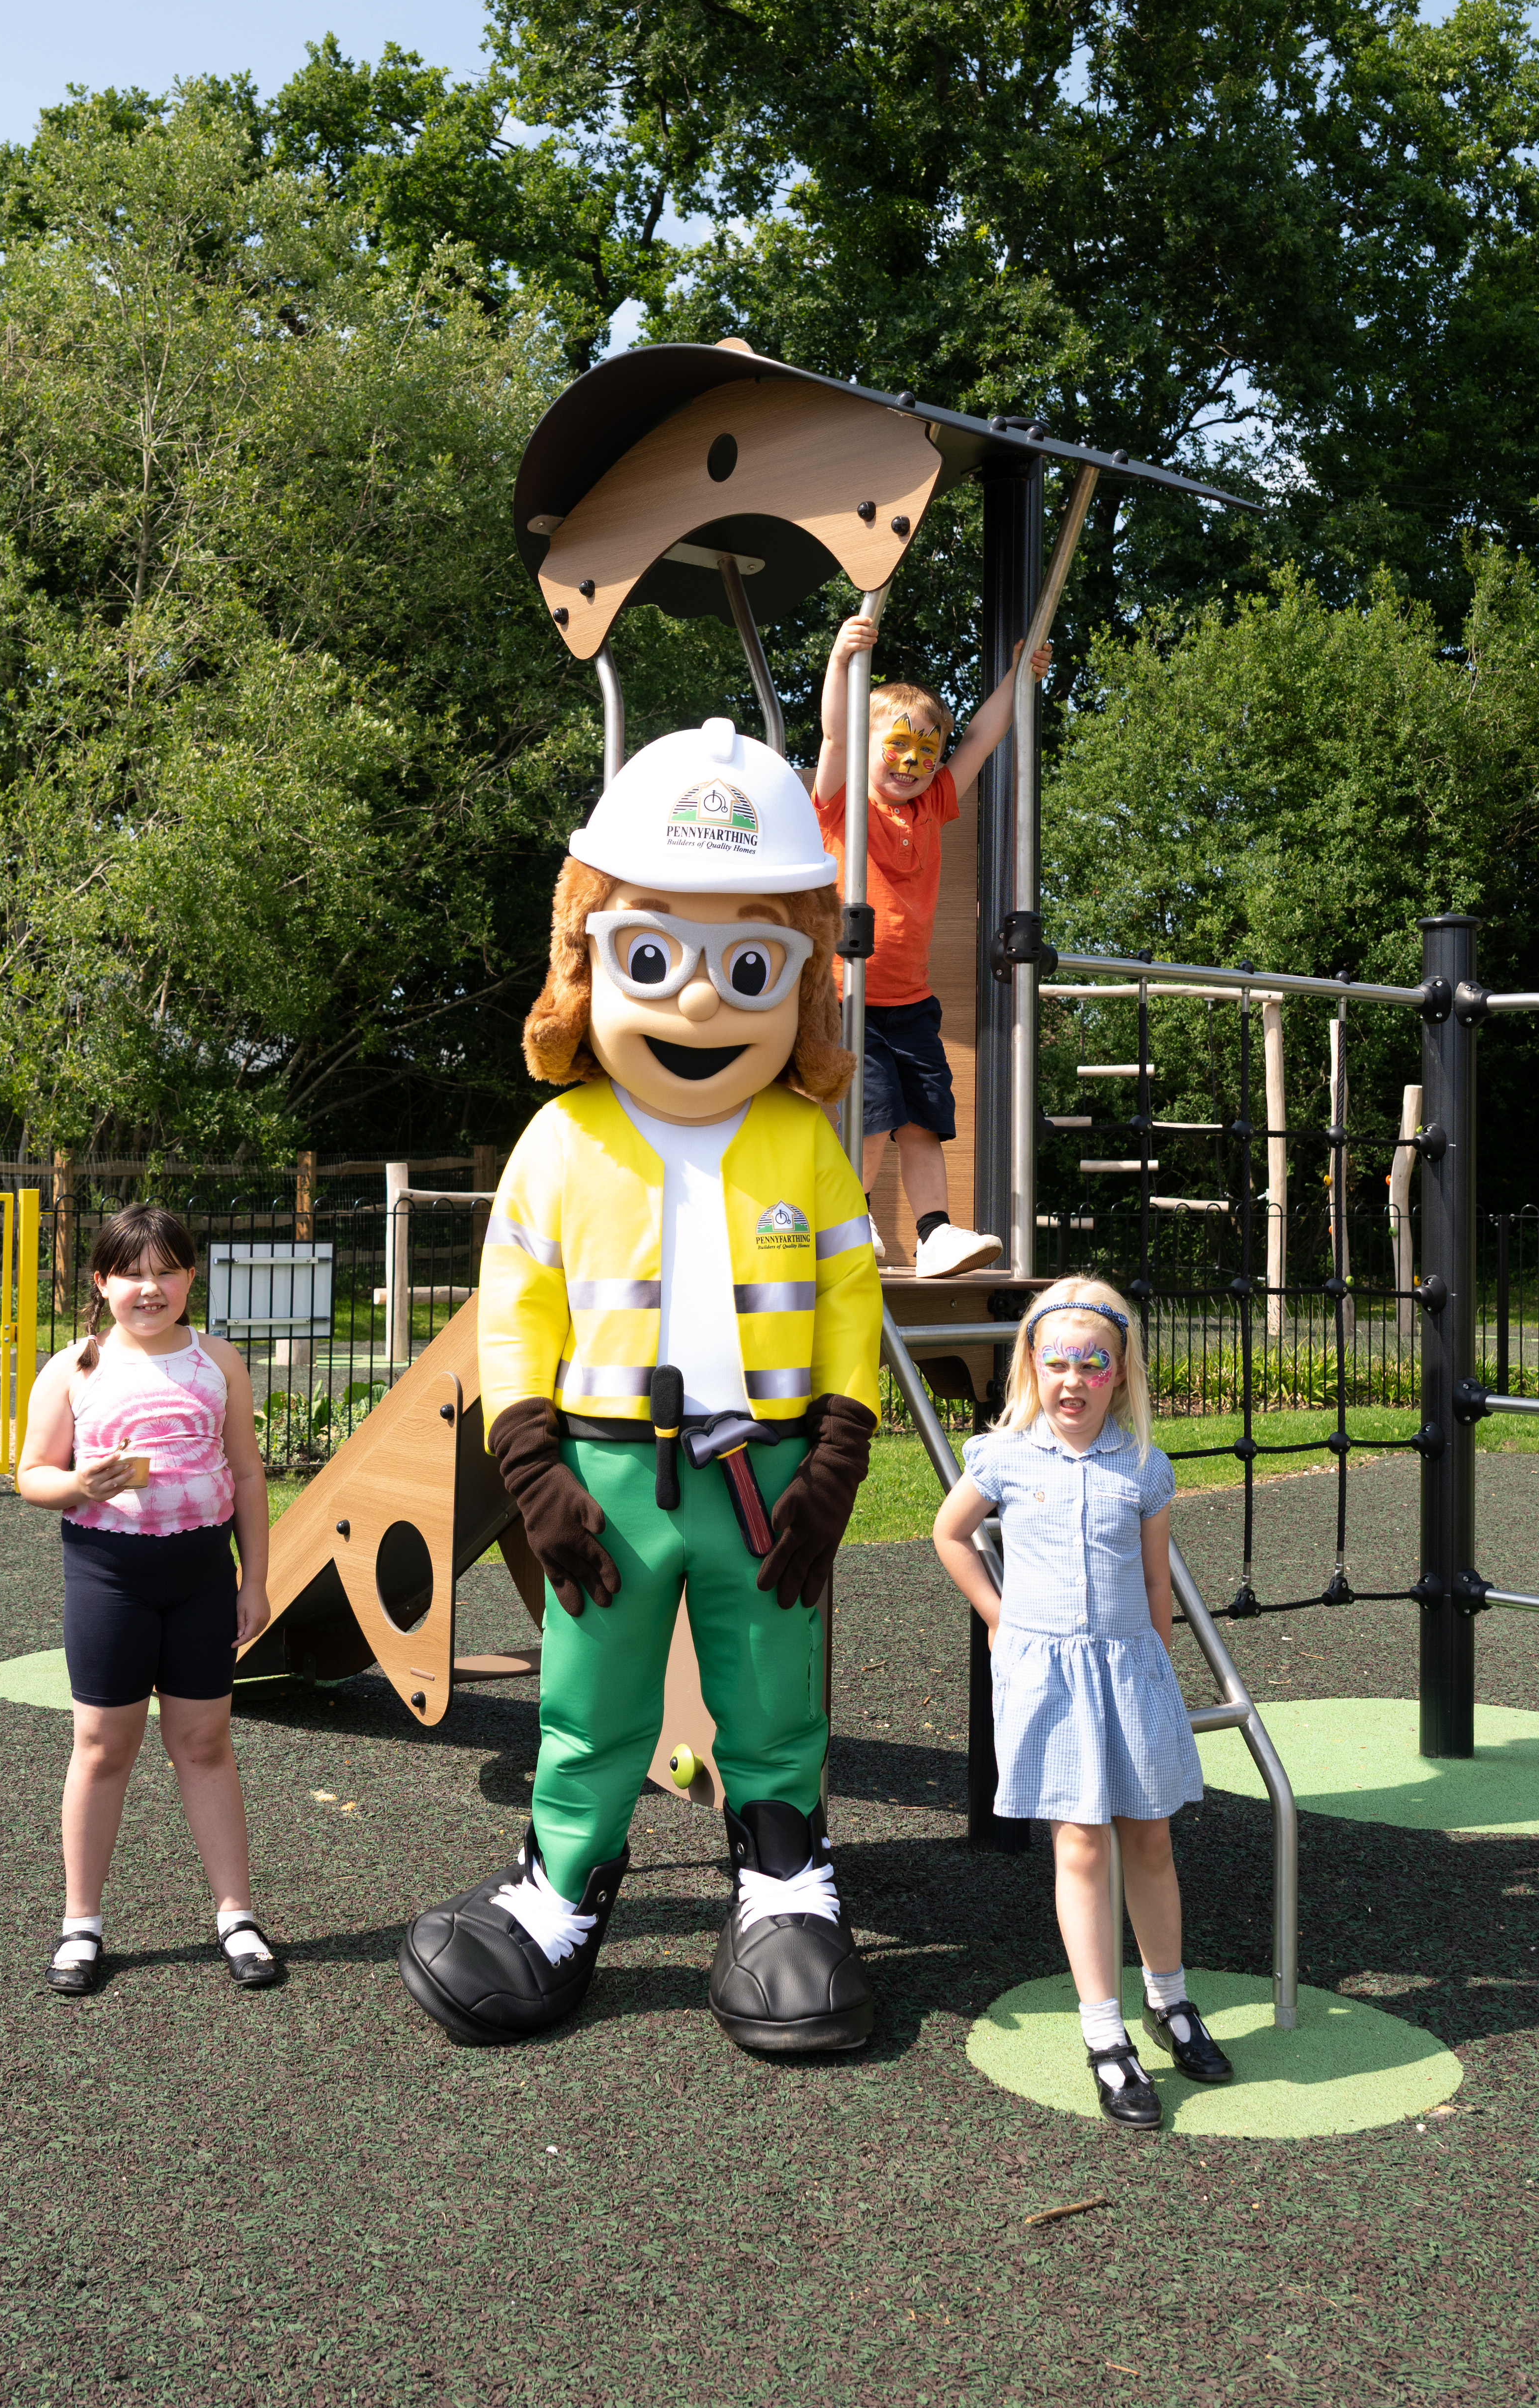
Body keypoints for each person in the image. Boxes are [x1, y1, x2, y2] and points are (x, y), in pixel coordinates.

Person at [397, 718, 886, 2053]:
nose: (701, 1003)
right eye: (652, 956)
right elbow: (516, 1310)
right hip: (605, 1473)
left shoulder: (806, 1143)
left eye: (751, 966)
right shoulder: (561, 1142)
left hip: (767, 1474)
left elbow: (851, 1298)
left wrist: (839, 1451)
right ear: (587, 959)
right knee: (594, 1686)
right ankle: (561, 1888)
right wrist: (531, 1463)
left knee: (773, 1683)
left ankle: (785, 1885)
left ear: (801, 985)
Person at [929, 1274, 1233, 2129]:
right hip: (1050, 1682)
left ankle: (1170, 2001)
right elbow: (950, 1533)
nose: (1073, 1381)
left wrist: (1157, 1668)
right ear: (1033, 1366)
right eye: (1057, 1362)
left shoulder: (1143, 1467)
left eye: (1092, 1365)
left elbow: (1155, 1584)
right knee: (1081, 1845)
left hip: (1131, 1673)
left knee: (1150, 1837)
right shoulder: (1003, 1457)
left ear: (1119, 1372)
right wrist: (998, 1617)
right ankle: (1105, 2033)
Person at [13, 1203, 283, 1997]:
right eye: (131, 1273)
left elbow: (247, 1474)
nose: (150, 1287)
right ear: (102, 1282)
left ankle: (236, 1916)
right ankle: (81, 1925)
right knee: (102, 1746)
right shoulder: (75, 1367)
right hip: (109, 1578)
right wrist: (77, 1484)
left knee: (204, 1743)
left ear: (192, 1278)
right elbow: (31, 1475)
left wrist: (255, 1580)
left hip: (202, 1578)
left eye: (166, 1271)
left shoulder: (218, 1361)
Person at [813, 610, 1041, 1278]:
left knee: (923, 1120)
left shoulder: (933, 804)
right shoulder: (844, 802)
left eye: (926, 752)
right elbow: (835, 734)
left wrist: (1017, 680)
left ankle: (934, 1232)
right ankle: (850, 1222)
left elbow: (981, 739)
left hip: (911, 1001)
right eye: (897, 747)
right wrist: (840, 661)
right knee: (873, 1114)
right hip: (849, 995)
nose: (912, 763)